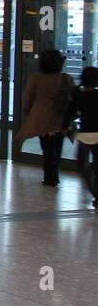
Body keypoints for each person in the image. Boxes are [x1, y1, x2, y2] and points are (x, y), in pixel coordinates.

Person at [18, 48, 75, 187]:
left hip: (42, 118)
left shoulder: (37, 77)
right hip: (61, 118)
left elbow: (28, 98)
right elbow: (73, 98)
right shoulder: (66, 78)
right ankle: (53, 173)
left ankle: (50, 176)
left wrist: (29, 112)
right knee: (57, 147)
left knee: (48, 148)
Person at [70, 66, 98, 209]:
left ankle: (95, 192)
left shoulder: (78, 95)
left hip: (85, 134)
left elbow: (71, 112)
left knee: (82, 163)